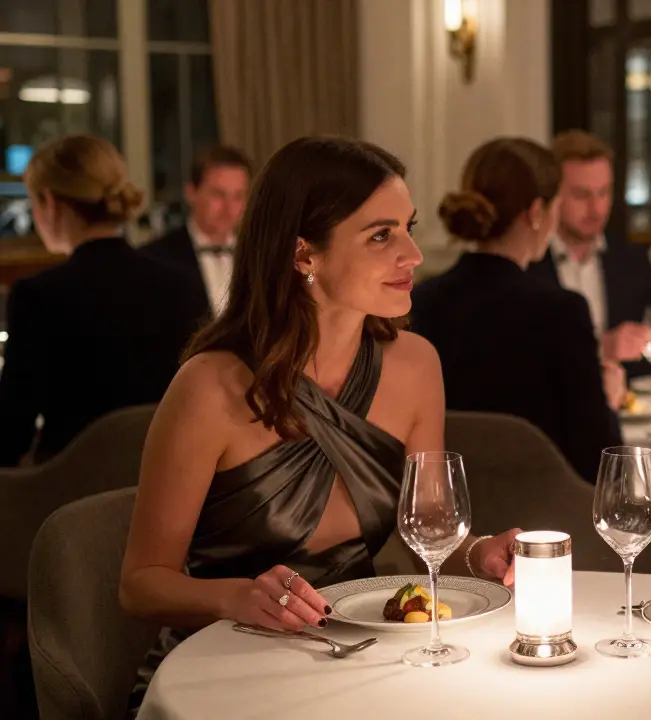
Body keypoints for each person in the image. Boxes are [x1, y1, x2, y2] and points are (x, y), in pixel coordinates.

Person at [119, 137, 523, 711]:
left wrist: (480, 552)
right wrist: (236, 597)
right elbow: (141, 583)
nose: (412, 253)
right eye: (381, 235)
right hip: (223, 668)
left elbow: (431, 541)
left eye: (407, 227)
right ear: (304, 254)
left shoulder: (415, 365)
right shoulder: (210, 387)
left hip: (359, 655)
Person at [411, 137, 624, 483]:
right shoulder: (562, 312)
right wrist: (609, 403)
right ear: (537, 212)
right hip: (548, 519)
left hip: (450, 511)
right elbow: (598, 463)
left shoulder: (422, 301)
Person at [0, 135, 207, 465]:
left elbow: (11, 433)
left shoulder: (38, 296)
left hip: (66, 498)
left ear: (50, 204)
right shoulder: (183, 285)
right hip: (166, 481)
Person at [527, 130, 651, 380]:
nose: (596, 208)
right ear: (553, 196)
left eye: (604, 193)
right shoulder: (528, 264)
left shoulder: (632, 262)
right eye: (581, 195)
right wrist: (601, 349)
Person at [140, 144, 253, 319]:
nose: (229, 208)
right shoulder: (154, 258)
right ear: (191, 193)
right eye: (218, 194)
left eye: (238, 196)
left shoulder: (258, 256)